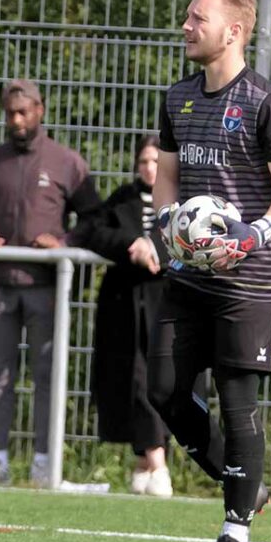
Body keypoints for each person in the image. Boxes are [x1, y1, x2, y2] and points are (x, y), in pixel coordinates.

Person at [149, 0, 271, 542]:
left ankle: (235, 535)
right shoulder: (177, 97)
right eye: (187, 17)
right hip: (188, 275)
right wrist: (166, 222)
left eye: (197, 19)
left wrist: (254, 233)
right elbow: (166, 174)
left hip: (249, 279)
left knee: (238, 400)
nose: (186, 27)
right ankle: (245, 482)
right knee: (162, 387)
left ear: (233, 31)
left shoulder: (267, 103)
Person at [0, 79, 101, 488]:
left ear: (40, 110)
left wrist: (64, 243)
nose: (16, 120)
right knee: (1, 374)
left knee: (46, 375)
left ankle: (43, 465)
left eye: (23, 112)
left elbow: (93, 217)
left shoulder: (65, 162)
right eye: (10, 113)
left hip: (46, 287)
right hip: (0, 284)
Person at [77, 135, 173, 498]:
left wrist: (158, 251)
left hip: (167, 303)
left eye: (156, 161)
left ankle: (146, 462)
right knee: (134, 379)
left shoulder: (183, 201)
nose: (149, 168)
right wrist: (130, 246)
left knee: (162, 381)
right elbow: (93, 232)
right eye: (144, 161)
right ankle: (155, 461)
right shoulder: (123, 199)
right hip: (125, 307)